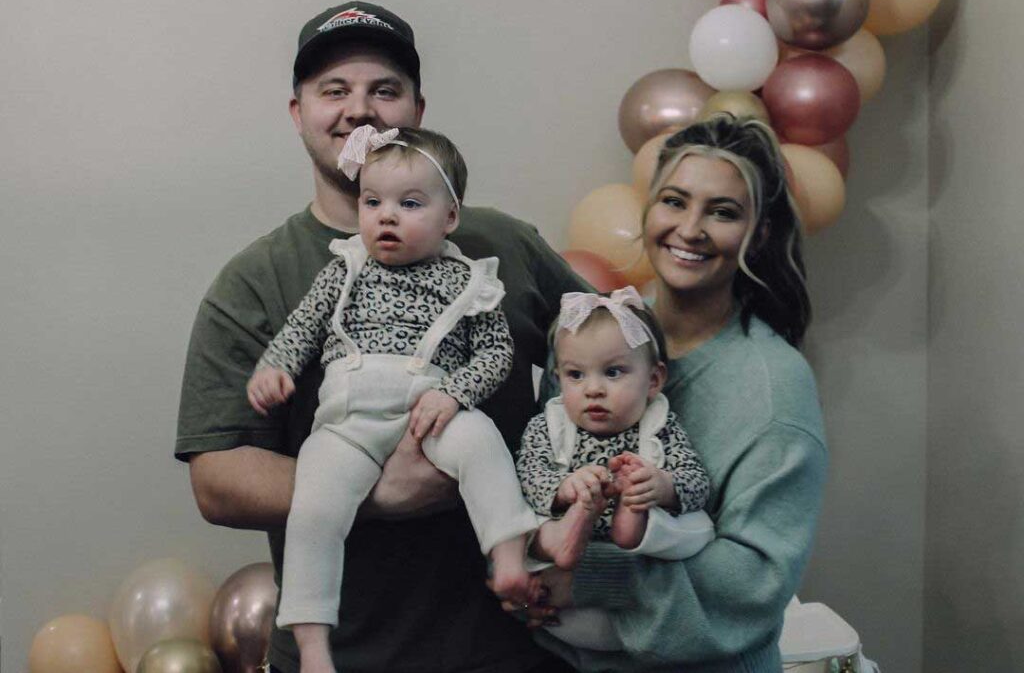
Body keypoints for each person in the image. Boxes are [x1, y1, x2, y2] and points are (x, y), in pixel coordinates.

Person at [175, 1, 584, 673]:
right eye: (333, 90)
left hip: (513, 647)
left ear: (417, 110)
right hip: (349, 655)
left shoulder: (501, 247)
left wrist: (561, 506)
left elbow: (619, 361)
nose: (358, 110)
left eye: (384, 90)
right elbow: (217, 480)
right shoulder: (256, 280)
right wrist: (377, 493)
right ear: (298, 112)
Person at [520, 114, 828, 673]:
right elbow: (536, 472)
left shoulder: (775, 386)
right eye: (674, 201)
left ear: (758, 233)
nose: (690, 229)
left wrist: (594, 579)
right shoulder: (591, 336)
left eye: (723, 212)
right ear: (648, 209)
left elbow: (755, 582)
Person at [247, 125, 540, 672]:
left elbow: (497, 354)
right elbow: (302, 327)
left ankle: (507, 555)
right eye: (372, 201)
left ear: (450, 217)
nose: (386, 217)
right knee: (314, 509)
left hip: (430, 412)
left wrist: (455, 393)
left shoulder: (469, 281)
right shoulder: (345, 267)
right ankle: (313, 646)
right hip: (348, 419)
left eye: (409, 204)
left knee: (482, 442)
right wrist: (276, 367)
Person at [517, 286, 715, 652]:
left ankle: (634, 524)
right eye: (576, 374)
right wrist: (565, 488)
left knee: (700, 527)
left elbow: (697, 480)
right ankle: (570, 527)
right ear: (558, 377)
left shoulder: (660, 426)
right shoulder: (548, 425)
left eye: (612, 372)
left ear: (653, 380)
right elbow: (529, 475)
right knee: (518, 524)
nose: (593, 389)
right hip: (560, 580)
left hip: (630, 589)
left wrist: (662, 485)